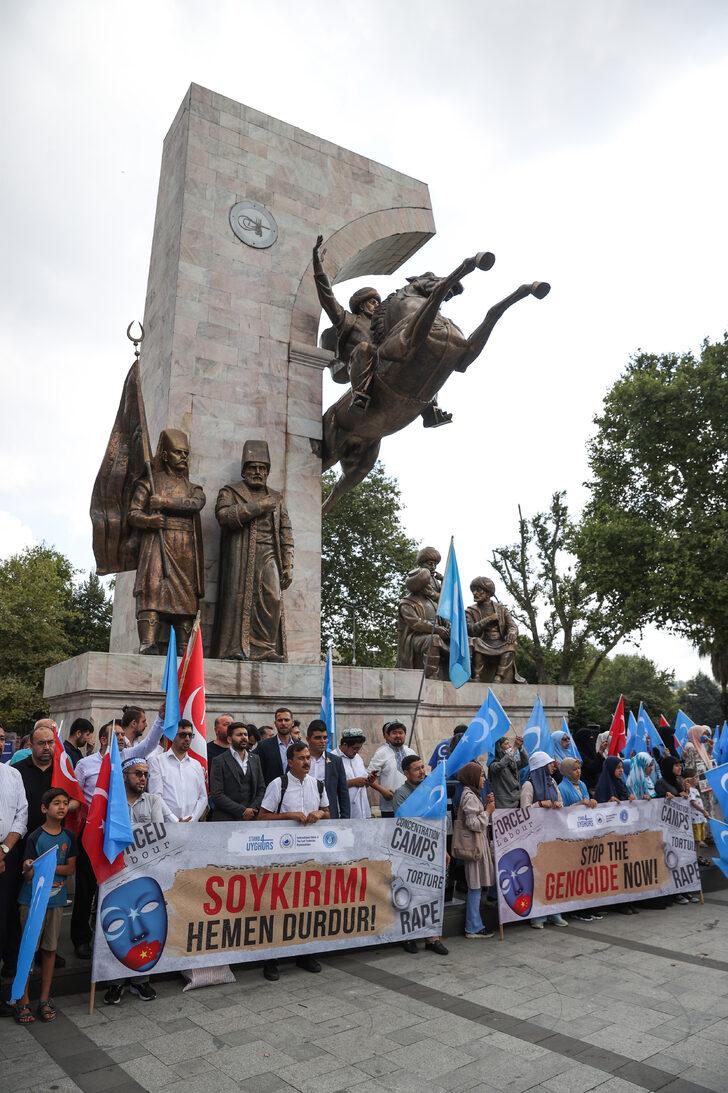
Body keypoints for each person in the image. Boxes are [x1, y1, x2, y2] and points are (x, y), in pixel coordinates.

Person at [211, 439, 294, 662]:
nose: (258, 472)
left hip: (269, 554)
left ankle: (266, 648)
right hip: (240, 553)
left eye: (262, 468)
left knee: (272, 597)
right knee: (237, 598)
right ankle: (234, 648)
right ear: (244, 470)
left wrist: (288, 564)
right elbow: (223, 516)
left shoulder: (277, 497)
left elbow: (286, 531)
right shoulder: (230, 492)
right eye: (253, 467)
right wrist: (258, 507)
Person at [127, 428, 206, 654]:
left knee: (185, 598)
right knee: (152, 590)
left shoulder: (193, 488)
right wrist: (150, 521)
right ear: (164, 455)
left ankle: (184, 646)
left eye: (186, 453)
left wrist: (164, 501)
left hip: (185, 548)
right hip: (156, 543)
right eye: (178, 453)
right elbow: (133, 514)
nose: (183, 457)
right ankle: (148, 643)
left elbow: (196, 503)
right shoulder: (149, 483)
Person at [258, 742, 329, 982]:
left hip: (309, 856)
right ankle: (272, 959)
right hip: (280, 857)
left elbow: (327, 811)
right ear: (290, 762)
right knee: (277, 908)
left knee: (307, 905)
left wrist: (319, 814)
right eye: (301, 758)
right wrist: (289, 816)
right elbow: (262, 817)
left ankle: (305, 953)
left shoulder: (317, 784)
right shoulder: (278, 784)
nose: (307, 762)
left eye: (308, 758)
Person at [104, 758, 170, 1006]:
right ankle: (115, 983)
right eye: (137, 774)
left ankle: (141, 981)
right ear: (124, 776)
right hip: (115, 875)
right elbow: (110, 832)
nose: (143, 778)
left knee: (145, 924)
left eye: (146, 774)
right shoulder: (113, 802)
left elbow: (157, 832)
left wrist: (128, 832)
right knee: (117, 926)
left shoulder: (153, 800)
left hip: (145, 874)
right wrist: (136, 830)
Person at [15, 788, 77, 1024]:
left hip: (57, 901)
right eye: (56, 803)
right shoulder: (35, 837)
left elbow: (70, 869)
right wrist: (31, 867)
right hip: (32, 902)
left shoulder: (69, 837)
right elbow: (28, 874)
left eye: (65, 803)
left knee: (50, 950)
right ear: (44, 809)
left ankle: (44, 999)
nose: (61, 807)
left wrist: (46, 866)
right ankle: (22, 1000)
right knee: (29, 950)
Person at [520, 752, 568, 929]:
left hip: (551, 834)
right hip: (535, 838)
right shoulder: (528, 785)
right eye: (549, 763)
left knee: (553, 874)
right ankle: (538, 916)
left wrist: (557, 805)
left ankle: (555, 912)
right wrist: (539, 805)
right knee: (538, 876)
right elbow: (523, 812)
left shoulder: (552, 782)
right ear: (540, 766)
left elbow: (560, 802)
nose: (553, 766)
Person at [0, 725, 27, 1016]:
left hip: (7, 854)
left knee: (6, 914)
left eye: (1, 738)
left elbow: (22, 814)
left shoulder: (12, 774)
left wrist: (5, 849)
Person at [558, 758, 603, 923]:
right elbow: (562, 812)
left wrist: (592, 802)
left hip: (586, 833)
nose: (578, 772)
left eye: (579, 769)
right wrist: (579, 804)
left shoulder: (582, 785)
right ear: (568, 771)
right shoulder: (562, 788)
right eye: (575, 769)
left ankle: (589, 905)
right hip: (572, 835)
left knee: (588, 872)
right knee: (576, 873)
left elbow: (586, 800)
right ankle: (577, 909)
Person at [454, 762, 496, 940]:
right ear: (472, 777)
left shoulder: (473, 794)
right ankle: (473, 927)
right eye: (480, 775)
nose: (484, 779)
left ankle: (475, 924)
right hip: (474, 848)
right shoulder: (469, 796)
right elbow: (473, 824)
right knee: (475, 887)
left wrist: (486, 805)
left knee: (477, 887)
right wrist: (487, 811)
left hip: (478, 846)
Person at [465, 576, 523, 684]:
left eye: (479, 590)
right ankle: (476, 676)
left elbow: (512, 625)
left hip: (499, 641)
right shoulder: (470, 611)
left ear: (488, 593)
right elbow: (471, 630)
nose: (475, 593)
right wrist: (489, 619)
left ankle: (499, 676)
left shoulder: (501, 609)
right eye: (473, 590)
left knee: (511, 644)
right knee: (473, 641)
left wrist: (512, 633)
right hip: (482, 640)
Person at [148, 720, 208, 822]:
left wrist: (192, 819)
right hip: (167, 825)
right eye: (183, 735)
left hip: (192, 825)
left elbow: (203, 797)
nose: (187, 739)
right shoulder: (157, 761)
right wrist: (174, 820)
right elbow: (156, 795)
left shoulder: (196, 765)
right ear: (172, 735)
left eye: (190, 735)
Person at [208, 723, 264, 821]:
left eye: (245, 735)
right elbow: (217, 794)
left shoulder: (255, 759)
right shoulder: (219, 761)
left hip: (251, 818)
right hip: (226, 819)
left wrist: (252, 810)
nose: (243, 737)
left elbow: (261, 788)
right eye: (239, 735)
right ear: (229, 739)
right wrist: (242, 811)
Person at [366, 721, 416, 817]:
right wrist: (383, 791)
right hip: (390, 806)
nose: (398, 735)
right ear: (388, 736)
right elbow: (369, 778)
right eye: (394, 733)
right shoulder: (381, 753)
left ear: (405, 735)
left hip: (411, 804)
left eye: (400, 732)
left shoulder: (411, 752)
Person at [305, 721, 350, 819]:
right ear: (308, 739)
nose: (322, 741)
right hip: (305, 815)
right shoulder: (300, 759)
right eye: (317, 738)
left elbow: (343, 793)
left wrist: (345, 819)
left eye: (325, 737)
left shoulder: (335, 761)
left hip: (329, 815)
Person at [333, 728, 372, 819]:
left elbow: (363, 781)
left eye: (359, 748)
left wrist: (367, 781)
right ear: (345, 745)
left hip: (362, 810)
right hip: (344, 812)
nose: (357, 751)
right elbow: (330, 786)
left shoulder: (358, 758)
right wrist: (352, 782)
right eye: (354, 748)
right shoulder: (333, 758)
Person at [256, 708, 296, 786]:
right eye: (280, 720)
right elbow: (259, 774)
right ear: (275, 723)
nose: (283, 723)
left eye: (286, 720)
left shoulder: (301, 746)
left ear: (292, 723)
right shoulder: (264, 746)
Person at [488, 736, 529, 810]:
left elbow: (525, 762)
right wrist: (514, 748)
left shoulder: (511, 762)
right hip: (503, 805)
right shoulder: (493, 764)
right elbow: (501, 765)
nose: (509, 746)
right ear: (499, 748)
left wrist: (520, 748)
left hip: (516, 800)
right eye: (506, 744)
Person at [573, 726, 603, 793]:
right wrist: (600, 752)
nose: (592, 741)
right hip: (585, 788)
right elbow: (592, 767)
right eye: (589, 738)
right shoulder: (577, 755)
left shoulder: (592, 751)